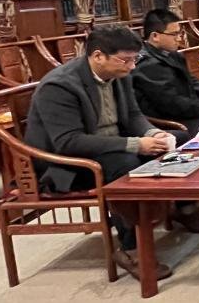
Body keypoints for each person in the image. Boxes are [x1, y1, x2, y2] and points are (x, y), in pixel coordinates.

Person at [24, 26, 179, 280]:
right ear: (98, 56)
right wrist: (135, 144)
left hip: (110, 147)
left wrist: (152, 133)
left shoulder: (119, 74)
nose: (132, 66)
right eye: (126, 60)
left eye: (135, 59)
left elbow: (133, 115)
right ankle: (131, 248)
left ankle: (181, 210)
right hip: (69, 165)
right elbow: (68, 142)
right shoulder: (59, 86)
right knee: (125, 164)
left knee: (177, 141)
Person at [133, 9, 199, 138]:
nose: (179, 38)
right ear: (155, 36)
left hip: (189, 110)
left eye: (180, 33)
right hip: (172, 121)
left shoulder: (171, 53)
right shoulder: (148, 65)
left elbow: (190, 80)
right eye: (174, 34)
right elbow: (173, 104)